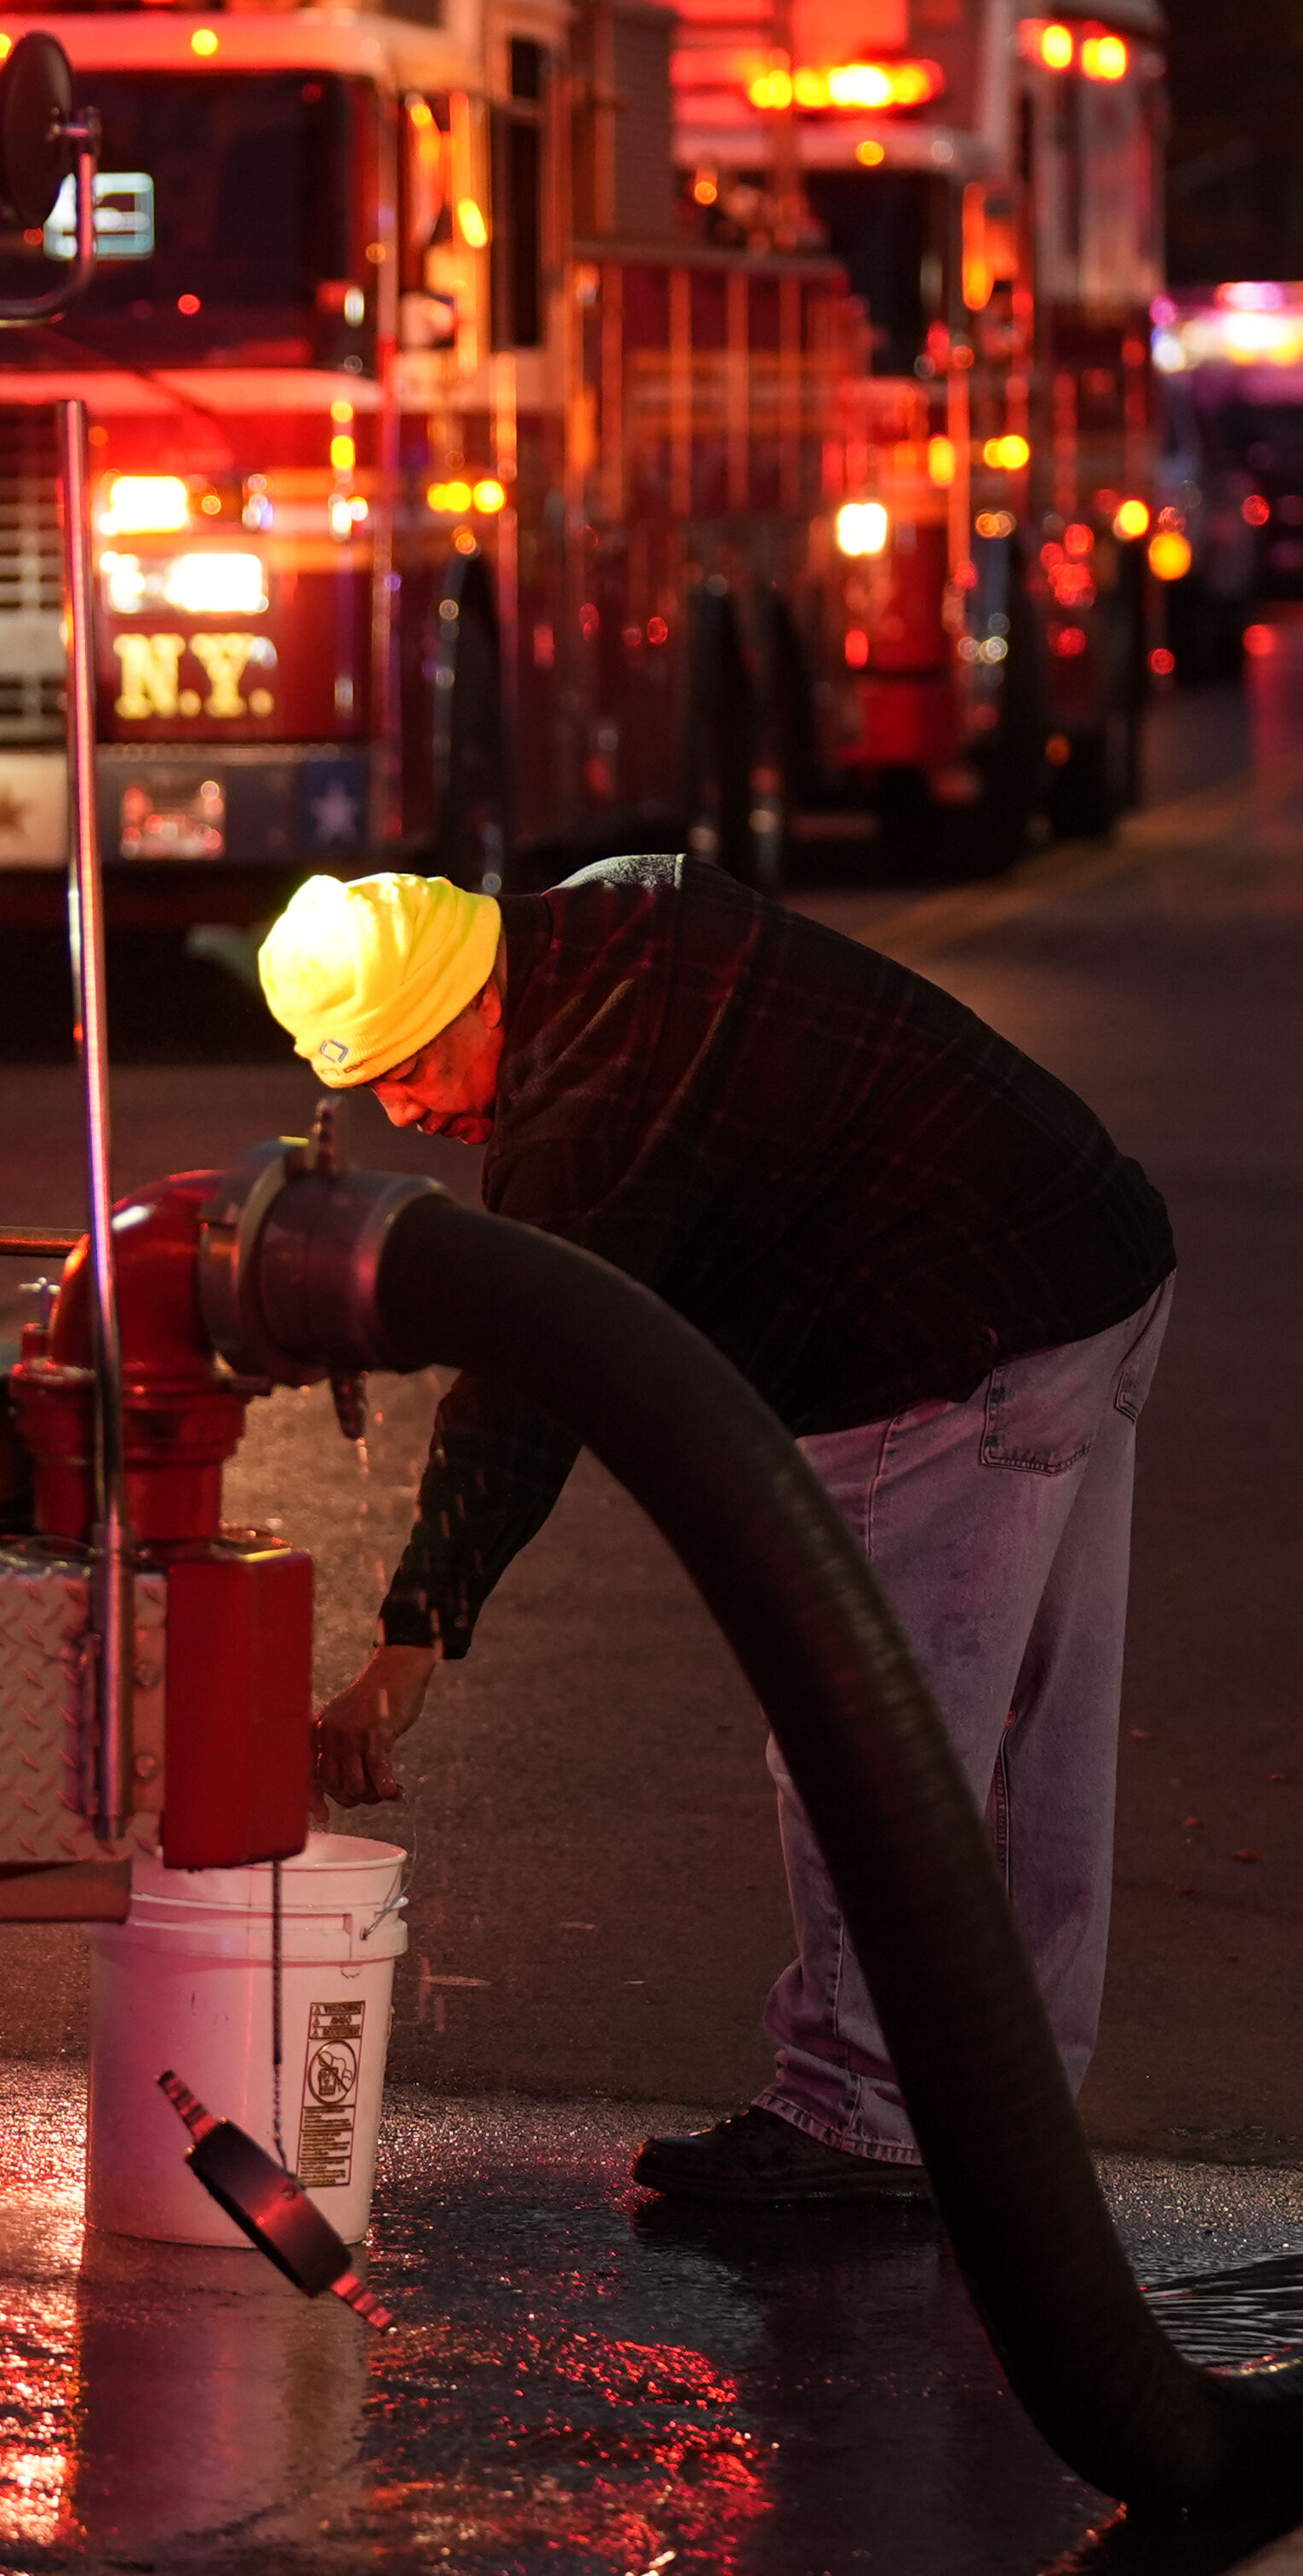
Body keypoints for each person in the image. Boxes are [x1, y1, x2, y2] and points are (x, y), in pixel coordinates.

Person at [259, 860, 1176, 2207]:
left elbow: (526, 1379)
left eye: (407, 1067)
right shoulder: (612, 912)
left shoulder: (586, 1103)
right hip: (1092, 1261)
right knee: (1024, 1736)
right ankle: (1007, 2110)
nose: (405, 1110)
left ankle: (862, 2116)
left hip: (950, 1335)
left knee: (860, 1736)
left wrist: (411, 1638)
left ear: (473, 996)